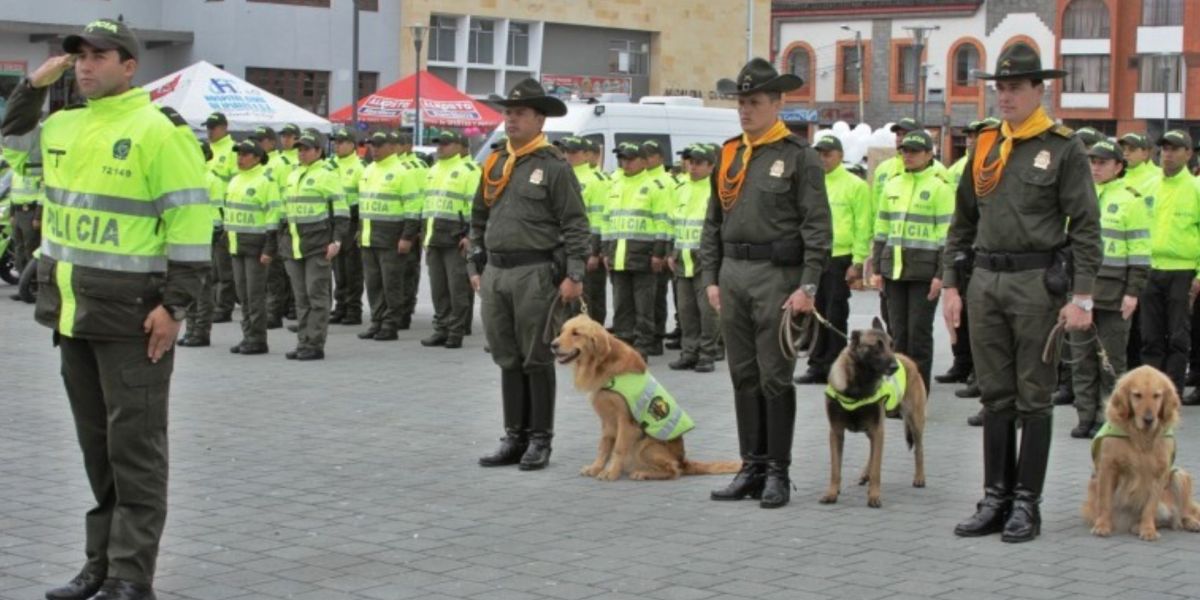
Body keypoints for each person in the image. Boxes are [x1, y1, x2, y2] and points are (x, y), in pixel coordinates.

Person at [1, 19, 210, 600]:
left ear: (129, 65)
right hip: (73, 316)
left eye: (100, 56)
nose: (87, 66)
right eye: (80, 57)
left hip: (134, 321)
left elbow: (191, 227)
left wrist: (176, 307)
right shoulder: (64, 124)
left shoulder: (159, 132)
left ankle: (130, 576)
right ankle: (100, 564)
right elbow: (12, 140)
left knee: (135, 453)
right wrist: (33, 87)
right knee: (100, 455)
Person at [944, 42, 1101, 543]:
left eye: (1015, 87)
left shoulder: (1063, 147)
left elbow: (1086, 228)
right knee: (995, 396)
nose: (1005, 97)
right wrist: (951, 283)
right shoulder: (985, 143)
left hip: (1037, 283)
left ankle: (1026, 504)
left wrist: (1081, 298)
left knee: (1033, 396)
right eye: (1000, 88)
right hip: (986, 281)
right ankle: (995, 497)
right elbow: (962, 220)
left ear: (1040, 89)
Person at [703, 58, 831, 509]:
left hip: (778, 277)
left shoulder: (799, 157)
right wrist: (710, 277)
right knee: (742, 375)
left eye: (754, 102)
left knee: (775, 377)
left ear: (777, 102)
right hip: (733, 274)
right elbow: (712, 222)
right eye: (740, 102)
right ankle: (750, 466)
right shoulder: (729, 153)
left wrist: (808, 286)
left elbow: (818, 228)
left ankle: (778, 470)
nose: (745, 110)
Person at [471, 79, 590, 470]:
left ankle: (540, 439)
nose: (511, 120)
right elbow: (478, 216)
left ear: (539, 118)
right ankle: (514, 436)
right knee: (507, 356)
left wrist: (575, 274)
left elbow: (575, 223)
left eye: (519, 113)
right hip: (498, 272)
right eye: (507, 113)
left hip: (536, 273)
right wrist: (476, 263)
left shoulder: (553, 166)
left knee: (537, 357)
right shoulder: (496, 161)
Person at [1069, 140, 1150, 437]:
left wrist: (1133, 292)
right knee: (1081, 359)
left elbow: (1140, 252)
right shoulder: (1079, 196)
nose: (1096, 167)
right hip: (1081, 294)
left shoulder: (1131, 199)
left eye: (1103, 162)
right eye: (1092, 161)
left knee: (1111, 363)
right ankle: (1084, 416)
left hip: (1115, 295)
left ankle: (1109, 419)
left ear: (1118, 166)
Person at [870, 130, 953, 392]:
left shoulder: (940, 188)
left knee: (918, 337)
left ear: (930, 154)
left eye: (915, 151)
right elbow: (882, 229)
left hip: (924, 275)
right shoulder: (892, 185)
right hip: (894, 272)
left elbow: (947, 238)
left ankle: (917, 395)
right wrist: (877, 267)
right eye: (904, 150)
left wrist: (941, 275)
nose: (908, 155)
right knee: (897, 336)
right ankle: (897, 393)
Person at [793, 134, 870, 384]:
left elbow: (862, 225)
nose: (822, 159)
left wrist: (857, 261)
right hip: (813, 257)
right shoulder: (810, 182)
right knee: (813, 312)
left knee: (835, 313)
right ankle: (817, 365)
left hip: (839, 257)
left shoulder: (855, 185)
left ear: (839, 155)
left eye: (828, 154)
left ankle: (837, 365)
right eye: (819, 154)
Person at [1140, 130, 1200, 401]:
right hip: (1151, 270)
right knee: (1150, 336)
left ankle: (1172, 391)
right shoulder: (1151, 186)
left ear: (1189, 154)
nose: (1168, 154)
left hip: (1183, 270)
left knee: (1177, 336)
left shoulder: (1196, 188)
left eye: (1176, 149)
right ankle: (1152, 390)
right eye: (1165, 149)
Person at [278, 131, 349, 360]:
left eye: (306, 149)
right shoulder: (293, 175)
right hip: (294, 245)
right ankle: (303, 343)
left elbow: (341, 212)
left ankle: (315, 344)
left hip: (317, 245)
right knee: (301, 299)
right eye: (299, 149)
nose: (301, 153)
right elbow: (285, 212)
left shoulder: (327, 175)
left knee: (316, 296)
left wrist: (336, 241)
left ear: (318, 151)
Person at [603, 142, 669, 357]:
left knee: (644, 306)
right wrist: (605, 251)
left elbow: (663, 223)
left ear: (643, 160)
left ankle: (643, 346)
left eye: (630, 159)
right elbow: (606, 221)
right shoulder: (614, 184)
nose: (625, 163)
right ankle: (623, 343)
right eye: (622, 159)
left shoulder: (653, 186)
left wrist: (659, 253)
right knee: (621, 305)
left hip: (644, 256)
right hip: (618, 256)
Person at [420, 129, 479, 349]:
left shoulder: (468, 170)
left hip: (456, 239)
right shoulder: (434, 169)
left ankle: (456, 331)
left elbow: (475, 207)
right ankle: (441, 329)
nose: (440, 147)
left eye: (445, 144)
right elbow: (427, 206)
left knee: (457, 290)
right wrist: (424, 235)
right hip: (435, 238)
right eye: (438, 144)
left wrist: (470, 236)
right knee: (438, 290)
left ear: (458, 146)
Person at [668, 144, 721, 373]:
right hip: (682, 257)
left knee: (707, 311)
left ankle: (707, 354)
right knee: (686, 310)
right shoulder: (680, 187)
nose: (693, 166)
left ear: (711, 165)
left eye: (699, 162)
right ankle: (689, 353)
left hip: (705, 259)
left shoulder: (715, 190)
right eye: (690, 161)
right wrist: (671, 251)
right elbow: (673, 222)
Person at [225, 140, 281, 355]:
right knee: (243, 294)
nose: (240, 158)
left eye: (246, 154)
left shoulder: (265, 181)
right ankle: (247, 334)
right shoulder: (235, 180)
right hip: (236, 244)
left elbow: (273, 216)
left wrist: (269, 248)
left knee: (255, 294)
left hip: (256, 246)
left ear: (257, 158)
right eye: (239, 154)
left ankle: (257, 338)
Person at [558, 136, 611, 325]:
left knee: (587, 297)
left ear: (587, 154)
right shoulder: (561, 174)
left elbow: (598, 219)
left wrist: (594, 252)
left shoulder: (595, 180)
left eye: (573, 152)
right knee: (563, 297)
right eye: (565, 151)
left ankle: (592, 336)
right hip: (562, 245)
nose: (568, 156)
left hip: (585, 246)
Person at [255, 126, 295, 329]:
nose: (259, 144)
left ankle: (275, 312)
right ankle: (269, 309)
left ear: (271, 142)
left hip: (276, 222)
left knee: (275, 272)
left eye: (262, 140)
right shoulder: (260, 164)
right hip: (259, 222)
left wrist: (281, 219)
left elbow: (285, 194)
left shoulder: (282, 163)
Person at [202, 111, 237, 323]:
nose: (209, 132)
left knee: (223, 266)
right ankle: (213, 303)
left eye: (213, 128)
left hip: (224, 214)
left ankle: (224, 306)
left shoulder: (233, 150)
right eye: (207, 128)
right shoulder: (207, 151)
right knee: (210, 266)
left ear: (224, 127)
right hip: (207, 216)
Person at [329, 128, 365, 326]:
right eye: (336, 142)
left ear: (352, 144)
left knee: (352, 268)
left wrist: (359, 226)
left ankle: (353, 309)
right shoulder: (330, 165)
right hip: (335, 221)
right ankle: (340, 306)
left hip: (352, 220)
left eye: (342, 142)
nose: (337, 145)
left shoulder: (360, 167)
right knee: (338, 268)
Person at [642, 139, 676, 354]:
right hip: (641, 247)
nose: (646, 159)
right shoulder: (642, 179)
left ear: (660, 158)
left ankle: (656, 335)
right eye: (643, 155)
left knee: (656, 295)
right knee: (646, 296)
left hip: (660, 244)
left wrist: (664, 251)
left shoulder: (667, 181)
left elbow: (667, 219)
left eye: (650, 155)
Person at [5, 132, 43, 302]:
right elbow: (13, 192)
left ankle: (35, 287)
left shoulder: (37, 167)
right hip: (19, 213)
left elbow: (43, 194)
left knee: (31, 250)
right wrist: (12, 213)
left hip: (31, 212)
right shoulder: (17, 168)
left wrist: (38, 216)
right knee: (19, 251)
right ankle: (23, 285)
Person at [395, 131, 428, 329]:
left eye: (398, 144)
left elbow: (418, 199)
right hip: (396, 225)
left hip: (408, 224)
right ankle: (401, 309)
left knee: (407, 271)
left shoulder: (413, 167)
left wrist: (415, 229)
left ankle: (405, 310)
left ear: (407, 147)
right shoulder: (395, 165)